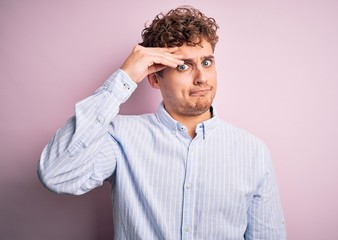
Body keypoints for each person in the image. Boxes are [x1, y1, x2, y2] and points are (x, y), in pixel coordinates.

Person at [38, 5, 287, 239]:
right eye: (183, 66)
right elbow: (56, 175)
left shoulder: (253, 151)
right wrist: (124, 78)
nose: (201, 78)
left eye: (207, 62)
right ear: (155, 79)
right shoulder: (119, 137)